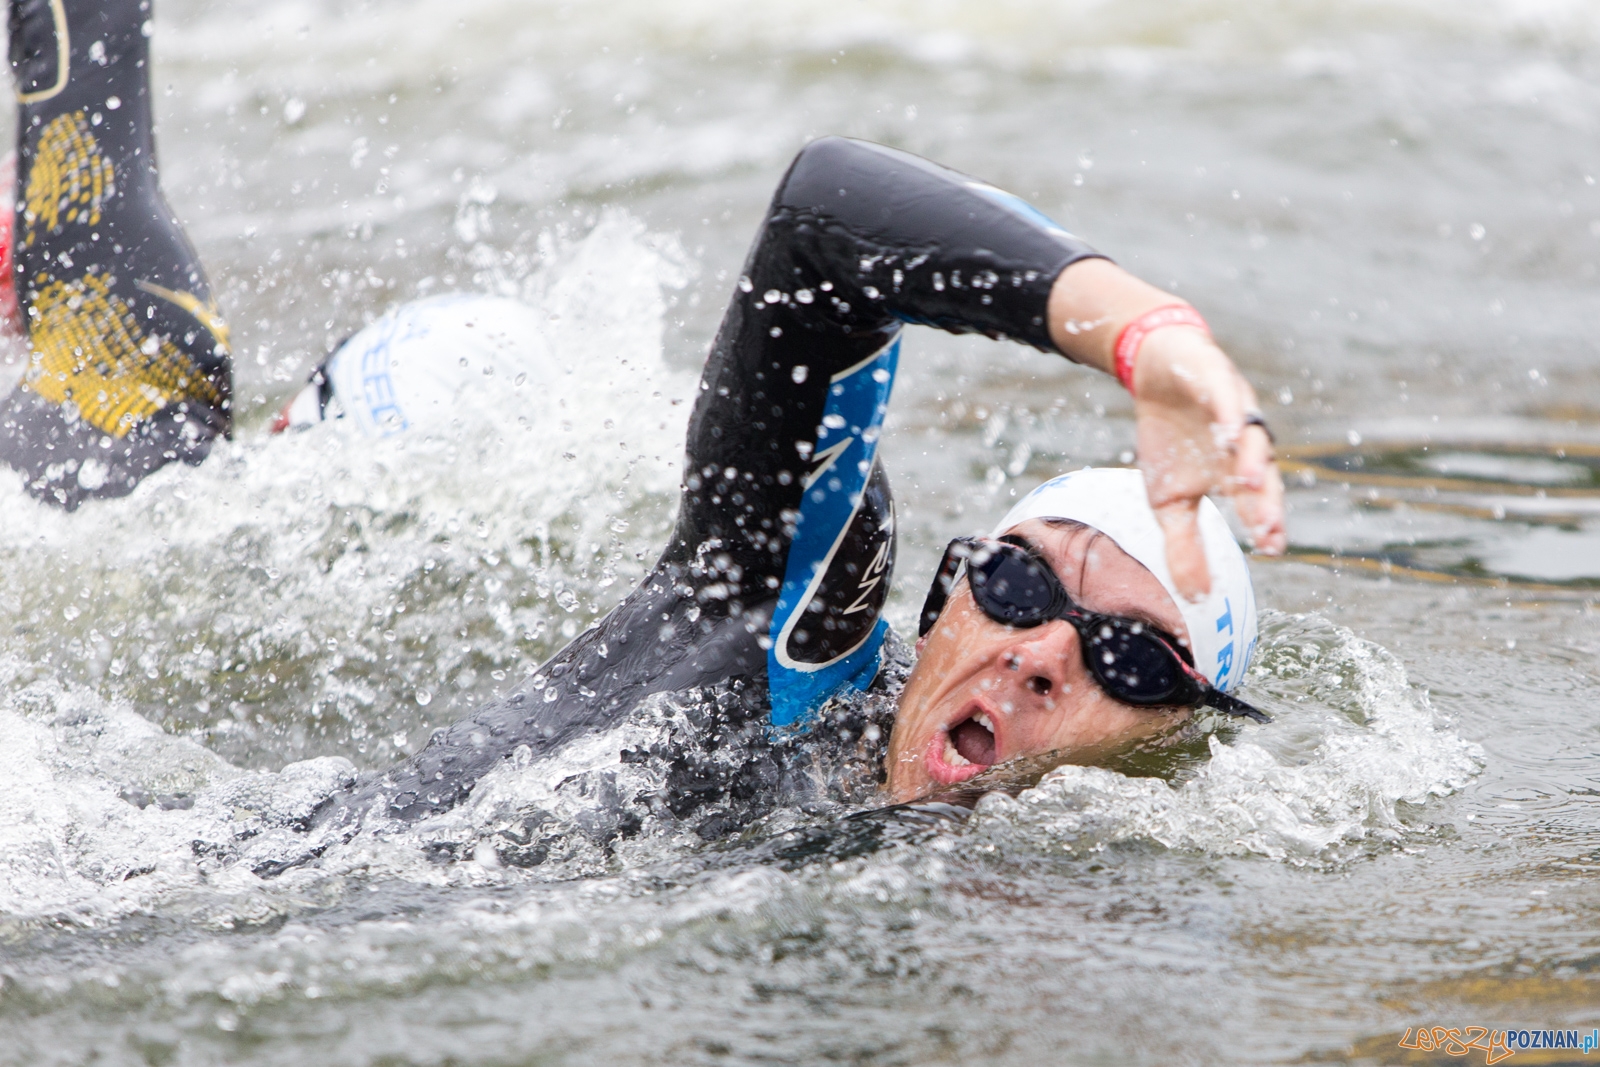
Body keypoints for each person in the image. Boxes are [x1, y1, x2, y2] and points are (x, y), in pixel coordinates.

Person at [6, 0, 1287, 834]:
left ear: (1174, 735)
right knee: (136, 416)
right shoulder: (788, 637)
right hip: (143, 866)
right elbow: (829, 217)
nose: (1038, 649)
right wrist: (1140, 332)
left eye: (1126, 656)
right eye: (1017, 580)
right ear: (947, 590)